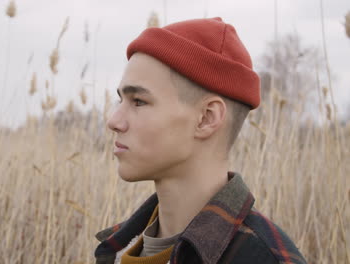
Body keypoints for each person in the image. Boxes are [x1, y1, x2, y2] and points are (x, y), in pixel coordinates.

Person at [93, 17, 307, 264]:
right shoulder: (117, 247)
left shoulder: (262, 259)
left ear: (206, 118)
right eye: (121, 100)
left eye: (139, 101)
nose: (114, 121)